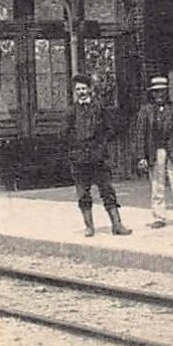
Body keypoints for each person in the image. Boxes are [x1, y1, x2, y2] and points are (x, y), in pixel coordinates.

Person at [62, 73, 130, 237]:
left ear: (90, 90)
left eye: (84, 88)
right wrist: (75, 149)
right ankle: (89, 226)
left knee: (107, 190)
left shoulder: (99, 108)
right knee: (83, 193)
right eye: (78, 89)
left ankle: (117, 224)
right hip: (79, 159)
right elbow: (64, 134)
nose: (81, 92)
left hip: (98, 158)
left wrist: (101, 146)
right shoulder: (70, 111)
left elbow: (110, 129)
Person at [136, 75, 173, 228]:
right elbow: (141, 134)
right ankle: (159, 216)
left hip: (172, 151)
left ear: (167, 92)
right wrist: (141, 156)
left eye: (162, 92)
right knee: (157, 184)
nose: (159, 95)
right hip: (155, 152)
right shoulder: (146, 110)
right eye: (156, 92)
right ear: (152, 93)